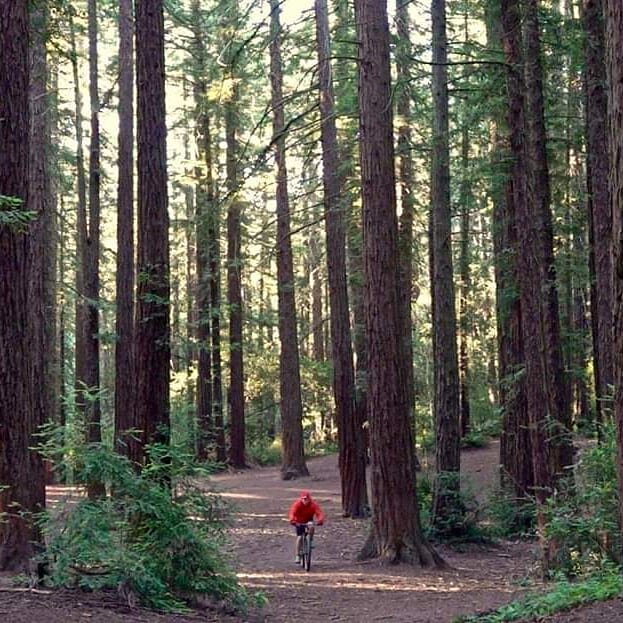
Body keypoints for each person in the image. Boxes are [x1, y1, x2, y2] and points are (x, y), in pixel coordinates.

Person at [288, 490, 325, 564]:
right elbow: (292, 512)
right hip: (298, 521)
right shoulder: (297, 504)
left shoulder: (313, 504)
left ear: (309, 499)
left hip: (308, 520)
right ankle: (298, 555)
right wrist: (292, 520)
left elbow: (319, 513)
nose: (305, 501)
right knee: (299, 537)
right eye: (304, 499)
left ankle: (310, 541)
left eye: (307, 499)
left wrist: (320, 520)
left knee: (311, 527)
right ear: (301, 499)